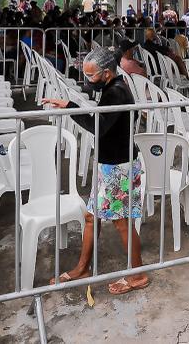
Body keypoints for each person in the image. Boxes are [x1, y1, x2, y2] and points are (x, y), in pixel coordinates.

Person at [40, 47, 149, 294]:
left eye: (91, 76)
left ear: (107, 73)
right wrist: (69, 104)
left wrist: (70, 108)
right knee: (91, 217)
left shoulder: (116, 93)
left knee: (122, 222)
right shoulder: (112, 88)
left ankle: (138, 275)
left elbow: (96, 126)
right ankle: (82, 268)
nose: (88, 80)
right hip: (107, 164)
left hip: (118, 166)